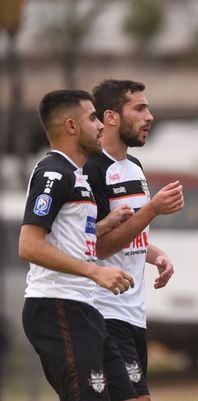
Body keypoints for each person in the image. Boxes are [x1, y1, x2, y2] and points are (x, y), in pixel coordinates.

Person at [20, 89, 137, 401]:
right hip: (57, 305)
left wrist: (105, 225)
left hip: (85, 308)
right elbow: (29, 245)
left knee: (131, 396)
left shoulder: (77, 175)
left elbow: (69, 237)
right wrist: (95, 272)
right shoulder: (53, 173)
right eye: (93, 118)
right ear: (71, 126)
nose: (101, 125)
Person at [84, 79, 184, 401]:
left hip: (134, 312)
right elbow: (98, 246)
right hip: (104, 309)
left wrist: (156, 256)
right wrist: (153, 209)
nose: (149, 116)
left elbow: (129, 235)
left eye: (148, 108)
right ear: (111, 117)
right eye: (140, 108)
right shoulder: (93, 169)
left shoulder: (135, 167)